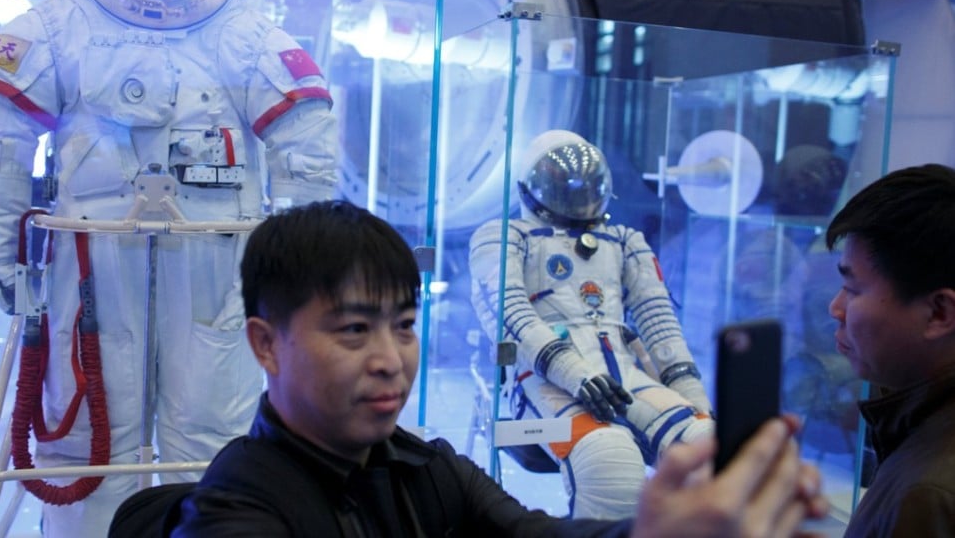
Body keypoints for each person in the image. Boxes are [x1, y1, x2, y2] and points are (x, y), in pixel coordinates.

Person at [0, 0, 337, 537]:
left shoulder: (242, 36)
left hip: (219, 264)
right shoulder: (60, 27)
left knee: (215, 429)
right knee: (83, 434)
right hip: (91, 264)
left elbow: (307, 139)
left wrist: (292, 269)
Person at [167, 199, 827, 537]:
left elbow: (537, 537)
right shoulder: (236, 509)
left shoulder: (425, 471)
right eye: (353, 330)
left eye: (403, 326)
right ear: (265, 344)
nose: (390, 360)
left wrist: (661, 525)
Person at [468, 130, 714, 519]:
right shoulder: (505, 236)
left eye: (585, 188)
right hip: (542, 377)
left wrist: (694, 397)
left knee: (708, 450)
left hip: (623, 374)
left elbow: (659, 321)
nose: (577, 197)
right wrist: (573, 372)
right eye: (563, 187)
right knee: (609, 460)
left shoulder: (623, 241)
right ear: (530, 188)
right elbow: (508, 313)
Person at [826, 163, 955, 536]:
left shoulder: (929, 495)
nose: (835, 309)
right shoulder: (921, 435)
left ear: (939, 312)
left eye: (853, 290)